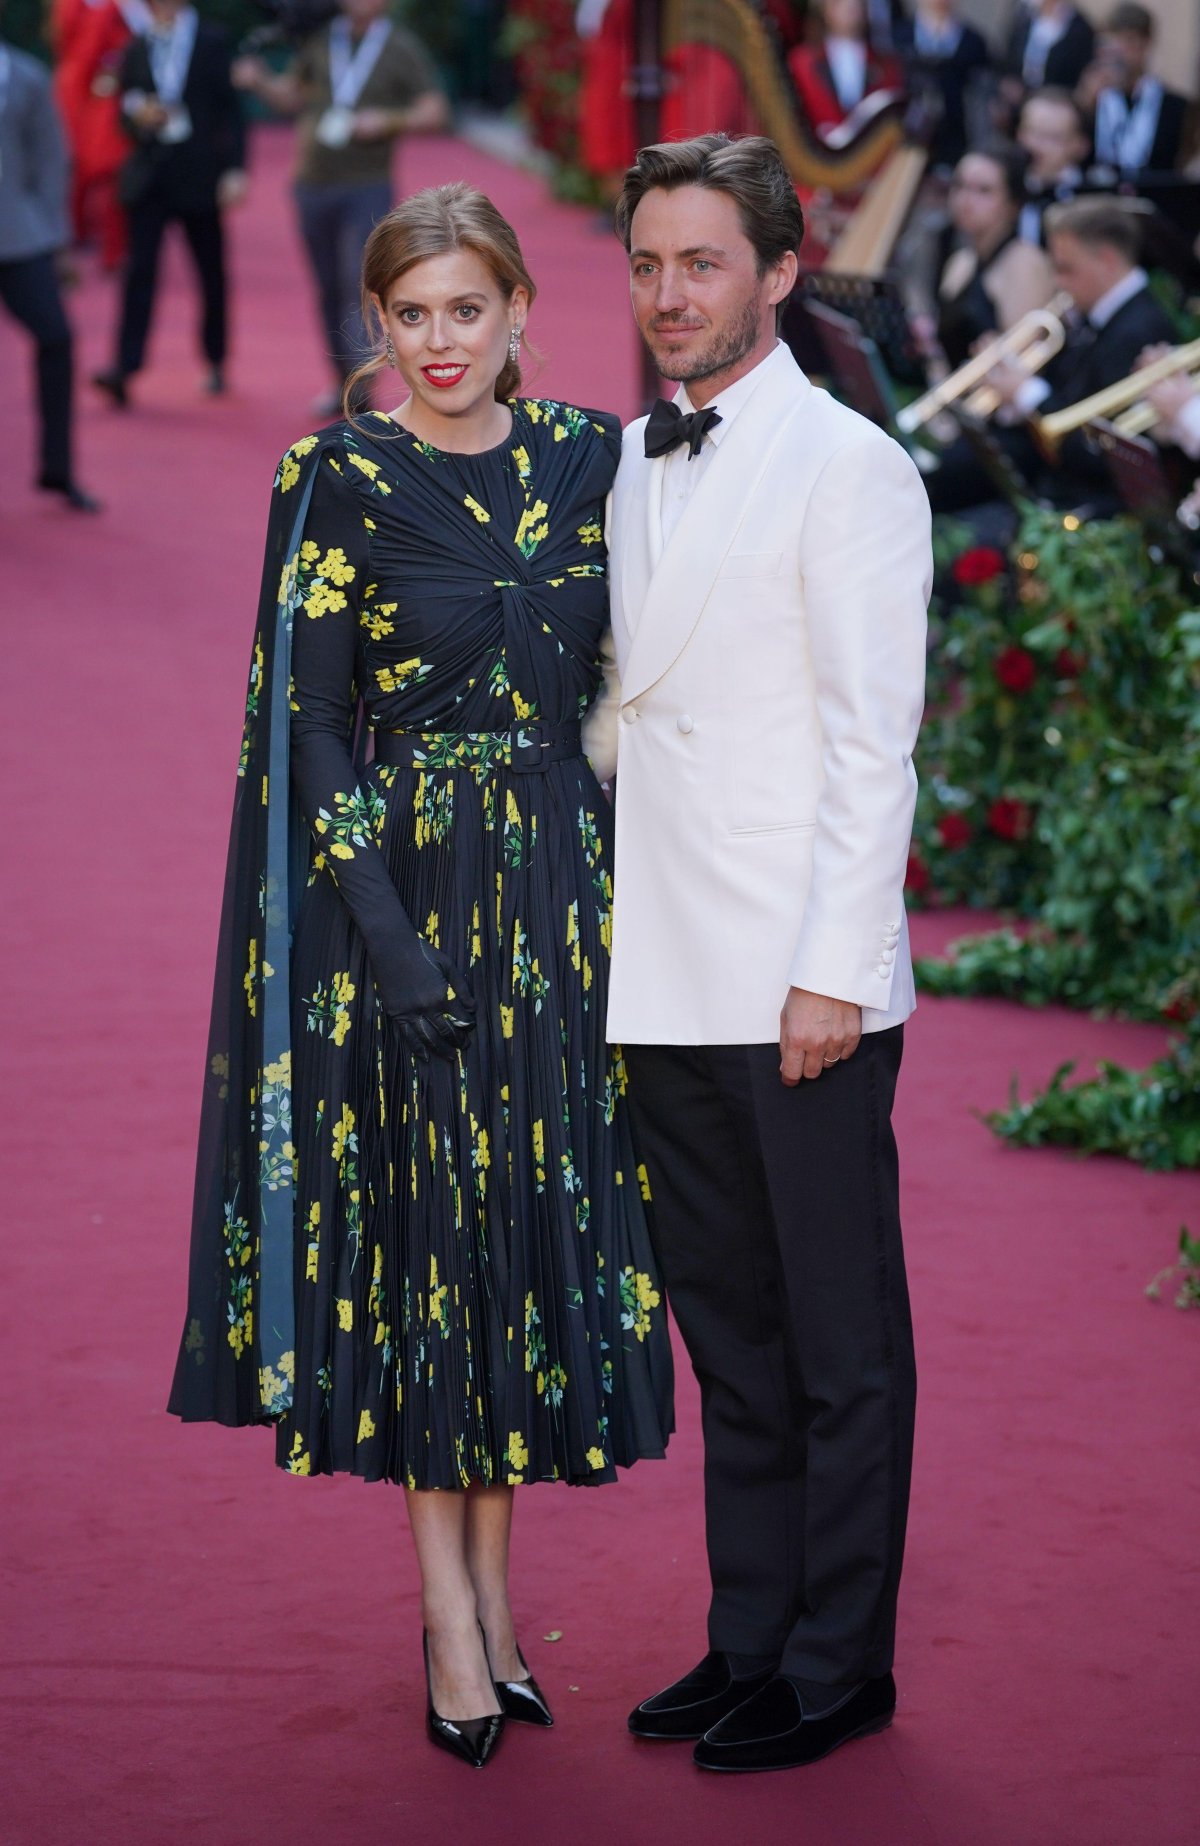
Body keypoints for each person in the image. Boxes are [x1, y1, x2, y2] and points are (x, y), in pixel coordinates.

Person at [167, 182, 673, 1769]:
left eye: (468, 308)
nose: (440, 342)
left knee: (519, 1247)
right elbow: (311, 727)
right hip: (407, 908)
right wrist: (382, 936)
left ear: (522, 307)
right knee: (432, 1251)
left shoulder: (599, 458)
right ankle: (448, 1617)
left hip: (568, 904)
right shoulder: (335, 473)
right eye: (411, 315)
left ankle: (500, 1602)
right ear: (374, 325)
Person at [606, 132, 931, 1774]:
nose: (672, 295)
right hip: (656, 965)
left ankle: (838, 1662)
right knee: (731, 1334)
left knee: (837, 1341)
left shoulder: (852, 467)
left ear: (783, 273)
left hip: (796, 978)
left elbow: (877, 750)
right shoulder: (620, 460)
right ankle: (750, 1639)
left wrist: (836, 968)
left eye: (705, 262)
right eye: (651, 264)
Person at [233, 0, 447, 415]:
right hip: (311, 184)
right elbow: (290, 98)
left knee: (360, 287)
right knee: (328, 288)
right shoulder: (320, 41)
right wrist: (259, 81)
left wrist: (386, 121)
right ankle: (343, 382)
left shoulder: (400, 47)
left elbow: (435, 110)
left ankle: (360, 385)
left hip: (366, 185)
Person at [929, 192, 1176, 519]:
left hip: (1089, 508)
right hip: (1054, 487)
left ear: (1107, 261)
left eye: (1065, 269)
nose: (1057, 282)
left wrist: (1026, 392)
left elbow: (1098, 459)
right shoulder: (1093, 318)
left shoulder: (1138, 329)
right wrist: (1009, 377)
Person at [91, 0, 247, 406]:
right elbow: (123, 109)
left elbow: (232, 110)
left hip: (199, 175)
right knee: (138, 273)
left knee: (210, 273)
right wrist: (138, 116)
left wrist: (235, 169)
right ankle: (124, 367)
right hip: (149, 177)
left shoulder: (212, 39)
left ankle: (215, 359)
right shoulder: (137, 43)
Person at [0, 16, 99, 511]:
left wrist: (58, 240)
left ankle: (57, 471)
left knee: (57, 336)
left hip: (20, 237)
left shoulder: (26, 77)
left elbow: (51, 159)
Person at [936, 142, 1057, 369]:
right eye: (960, 186)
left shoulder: (1026, 263)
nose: (965, 200)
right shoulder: (961, 260)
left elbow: (1024, 362)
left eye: (984, 191)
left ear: (1013, 204)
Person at [51, 0, 149, 270]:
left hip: (107, 100)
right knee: (81, 171)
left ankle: (112, 248)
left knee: (111, 174)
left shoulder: (122, 8)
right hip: (86, 100)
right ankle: (82, 238)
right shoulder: (81, 7)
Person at [1081, 4, 1192, 179]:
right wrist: (1086, 105)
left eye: (1127, 42)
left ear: (1145, 44)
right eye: (1109, 43)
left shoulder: (1177, 108)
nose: (1116, 52)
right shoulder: (1093, 101)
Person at [894, 0, 991, 173]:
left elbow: (980, 104)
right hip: (906, 141)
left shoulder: (974, 42)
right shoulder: (898, 36)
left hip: (955, 141)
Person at [788, 0, 904, 143]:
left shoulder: (887, 65)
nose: (851, 8)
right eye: (841, 3)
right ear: (826, 10)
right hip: (815, 156)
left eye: (857, 3)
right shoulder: (802, 62)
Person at [1015, 85, 1092, 243]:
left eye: (1053, 138)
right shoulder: (1006, 195)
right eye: (1032, 132)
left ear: (1081, 146)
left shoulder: (1092, 199)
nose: (1037, 146)